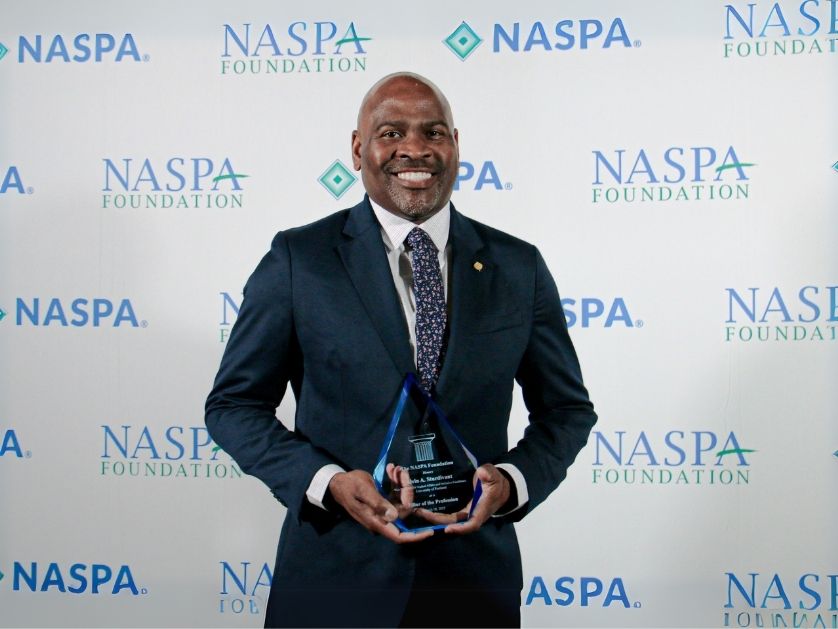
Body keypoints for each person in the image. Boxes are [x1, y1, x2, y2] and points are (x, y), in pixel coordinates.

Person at [205, 71, 598, 628]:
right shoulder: (300, 260)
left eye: (433, 133)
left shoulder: (518, 267)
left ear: (455, 145)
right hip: (333, 583)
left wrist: (512, 482)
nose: (414, 148)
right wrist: (328, 484)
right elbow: (234, 407)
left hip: (471, 587)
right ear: (358, 148)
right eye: (391, 132)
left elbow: (566, 411)